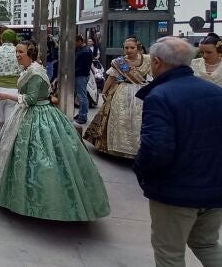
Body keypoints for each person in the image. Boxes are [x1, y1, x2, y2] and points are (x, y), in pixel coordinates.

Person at [0, 40, 110, 221]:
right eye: (17, 52)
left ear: (30, 53)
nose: (17, 55)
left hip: (36, 114)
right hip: (36, 113)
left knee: (38, 156)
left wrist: (7, 96)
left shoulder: (34, 72)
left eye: (20, 52)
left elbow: (31, 99)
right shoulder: (34, 68)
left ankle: (38, 201)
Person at [133, 37, 222, 266]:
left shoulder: (160, 96)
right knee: (207, 243)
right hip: (214, 189)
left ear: (156, 62)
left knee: (169, 253)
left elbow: (156, 150)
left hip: (176, 192)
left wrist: (142, 172)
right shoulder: (215, 92)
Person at [84, 36, 151, 158]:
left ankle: (139, 148)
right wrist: (104, 91)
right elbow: (111, 77)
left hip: (142, 92)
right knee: (120, 117)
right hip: (123, 91)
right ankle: (117, 147)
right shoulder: (120, 62)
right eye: (126, 48)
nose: (129, 50)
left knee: (138, 119)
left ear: (138, 48)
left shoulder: (148, 60)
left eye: (132, 47)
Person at [74, 35, 93, 124]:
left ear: (79, 41)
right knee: (81, 95)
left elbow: (82, 67)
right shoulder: (81, 50)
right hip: (80, 75)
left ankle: (83, 115)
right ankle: (81, 113)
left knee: (82, 96)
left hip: (81, 75)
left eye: (75, 42)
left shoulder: (85, 51)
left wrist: (72, 71)